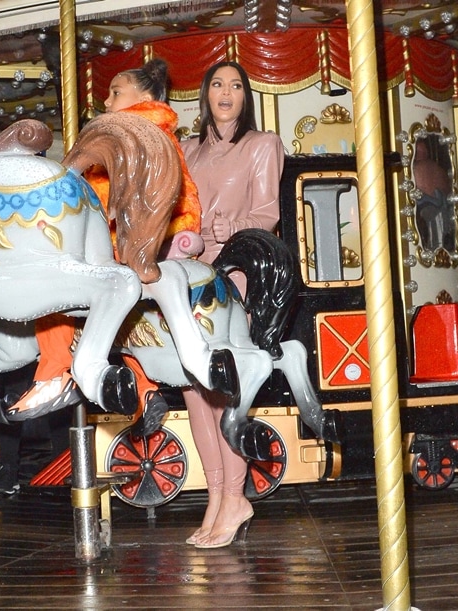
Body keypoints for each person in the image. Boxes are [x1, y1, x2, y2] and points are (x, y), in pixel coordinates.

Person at [7, 58, 205, 433]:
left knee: (49, 296)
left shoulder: (130, 135)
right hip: (119, 248)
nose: (108, 102)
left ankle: (53, 374)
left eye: (116, 93)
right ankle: (144, 391)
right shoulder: (144, 135)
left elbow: (178, 198)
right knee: (107, 322)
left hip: (114, 251)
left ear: (144, 95)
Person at [180, 61, 285, 548]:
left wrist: (232, 226)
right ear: (206, 93)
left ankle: (235, 494)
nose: (226, 92)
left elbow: (267, 214)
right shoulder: (187, 150)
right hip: (192, 270)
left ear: (246, 96)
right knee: (193, 392)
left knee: (222, 388)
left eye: (236, 85)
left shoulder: (261, 145)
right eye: (217, 84)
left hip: (237, 269)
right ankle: (218, 496)